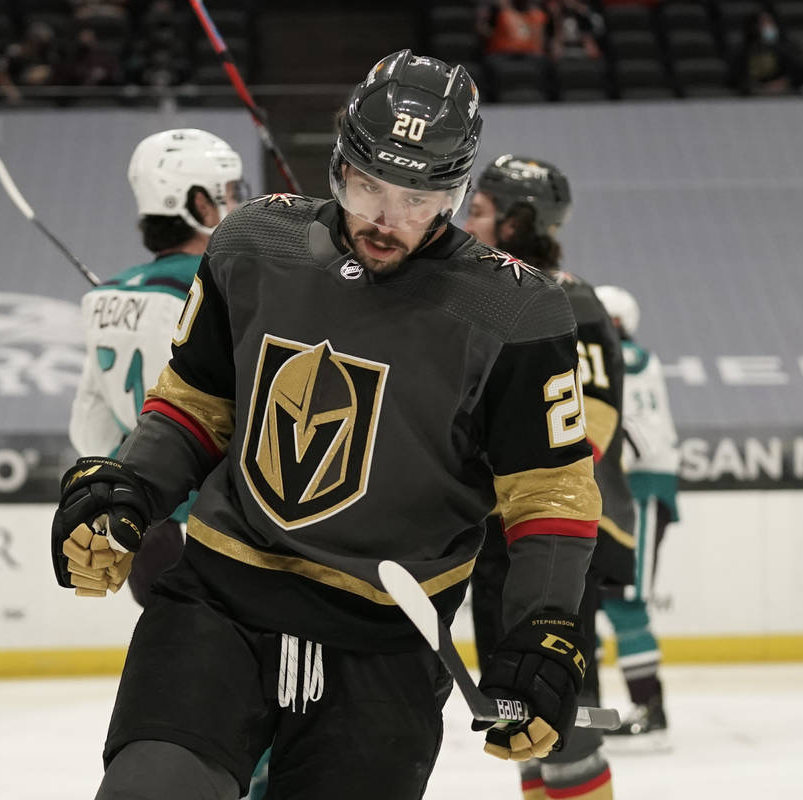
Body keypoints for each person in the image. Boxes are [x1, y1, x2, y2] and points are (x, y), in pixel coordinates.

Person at [51, 50, 602, 800]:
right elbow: (195, 405)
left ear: (454, 191)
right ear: (339, 163)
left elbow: (549, 495)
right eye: (368, 185)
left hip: (386, 646)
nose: (385, 218)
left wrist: (543, 628)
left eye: (416, 198)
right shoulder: (253, 244)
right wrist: (133, 485)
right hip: (217, 603)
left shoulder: (516, 311)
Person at [465, 155, 632, 800]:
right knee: (522, 723)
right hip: (501, 540)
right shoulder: (487, 296)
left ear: (517, 223)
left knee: (565, 726)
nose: (465, 224)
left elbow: (590, 429)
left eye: (479, 213)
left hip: (558, 540)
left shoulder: (568, 300)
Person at [68, 127, 245, 607]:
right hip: (224, 525)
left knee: (172, 644)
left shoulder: (103, 298)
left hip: (145, 524)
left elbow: (89, 427)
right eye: (230, 191)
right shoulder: (231, 285)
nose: (238, 202)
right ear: (200, 203)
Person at [595, 285, 681, 750]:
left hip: (637, 491)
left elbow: (635, 437)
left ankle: (650, 710)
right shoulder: (614, 357)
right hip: (617, 492)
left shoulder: (625, 358)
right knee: (591, 601)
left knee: (625, 601)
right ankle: (593, 706)